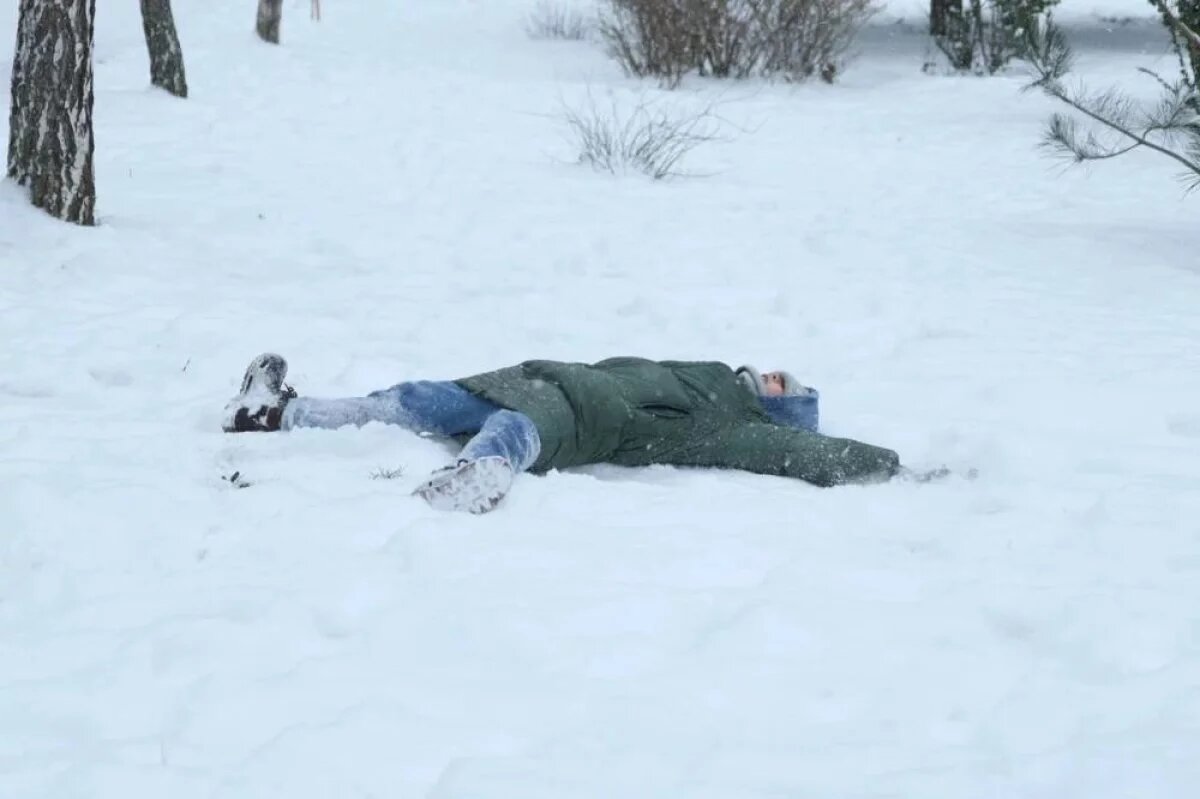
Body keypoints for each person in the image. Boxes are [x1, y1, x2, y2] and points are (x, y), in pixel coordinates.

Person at [221, 353, 904, 513]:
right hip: (550, 378)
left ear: (781, 410)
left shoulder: (735, 424)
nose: (777, 376)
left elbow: (795, 452)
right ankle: (273, 412)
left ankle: (483, 474)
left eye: (790, 389)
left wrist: (889, 465)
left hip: (590, 418)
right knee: (413, 400)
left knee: (514, 429)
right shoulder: (713, 376)